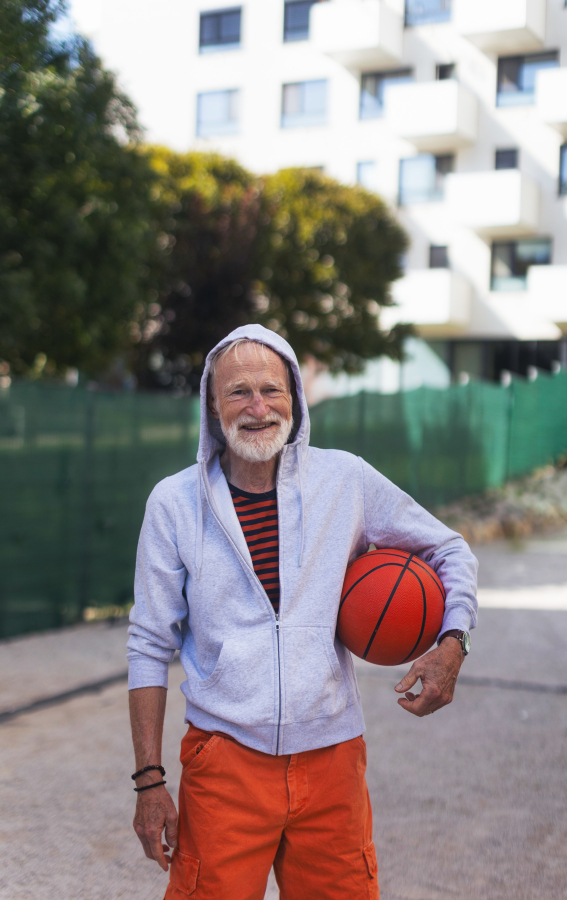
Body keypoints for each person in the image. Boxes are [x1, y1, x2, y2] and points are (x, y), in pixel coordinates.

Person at [127, 324, 478, 900]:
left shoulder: (345, 480)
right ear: (212, 408)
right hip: (225, 761)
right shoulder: (174, 503)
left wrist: (453, 640)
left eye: (272, 389)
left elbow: (448, 549)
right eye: (238, 392)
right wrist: (149, 783)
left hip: (333, 759)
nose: (258, 407)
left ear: (295, 396)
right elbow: (148, 644)